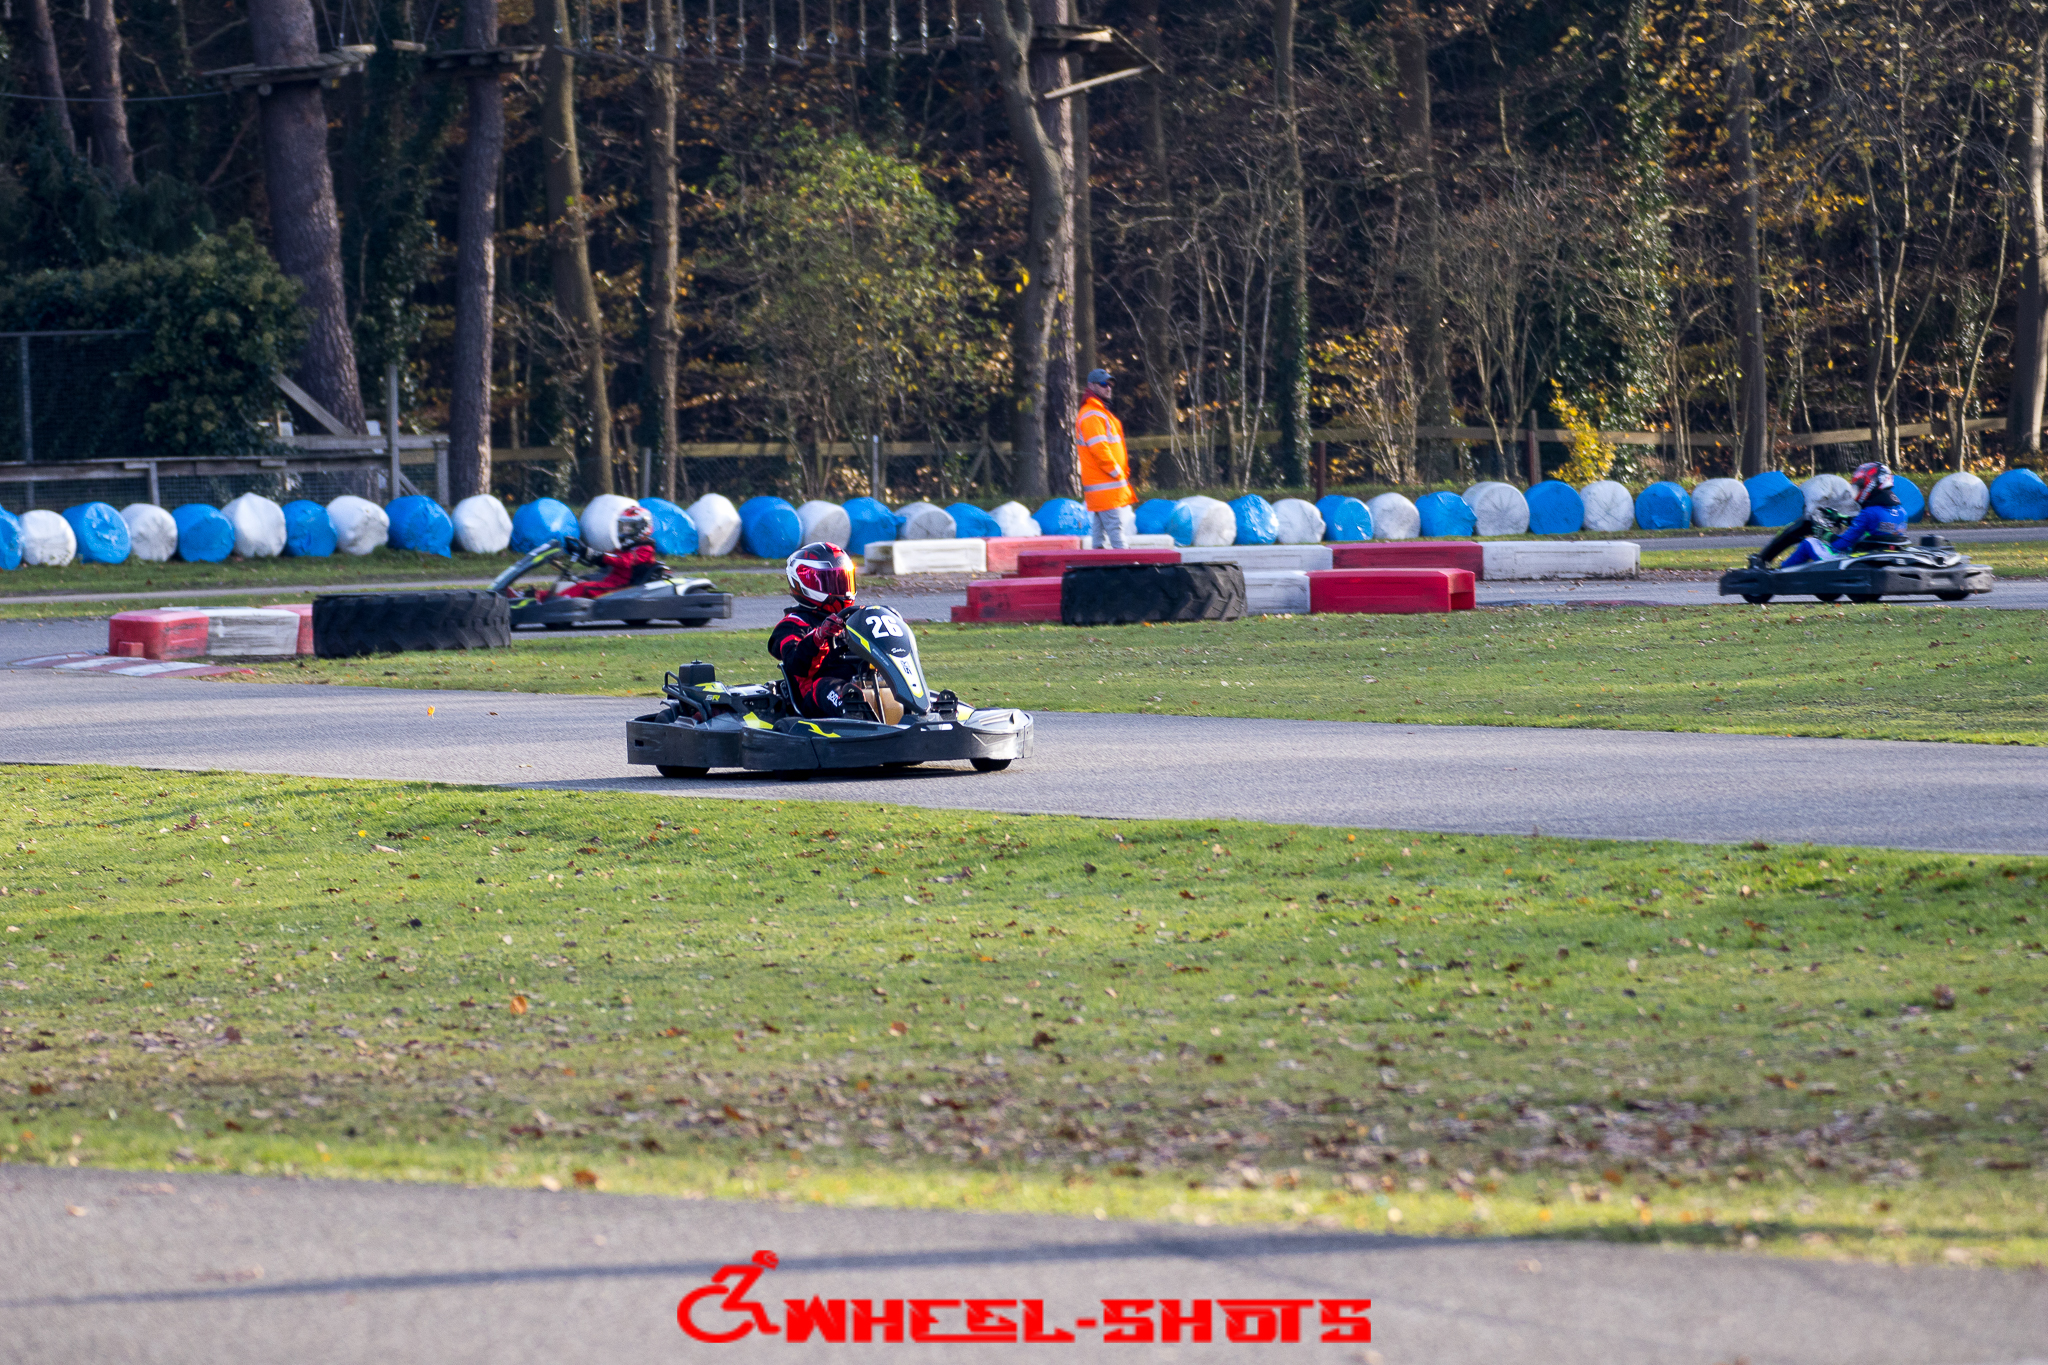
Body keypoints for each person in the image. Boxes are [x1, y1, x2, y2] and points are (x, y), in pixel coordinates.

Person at [1752, 462, 1909, 568]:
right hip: (1876, 553)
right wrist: (1841, 518)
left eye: (1860, 485)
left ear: (1870, 484)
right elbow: (1871, 526)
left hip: (1851, 558)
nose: (1858, 489)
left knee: (1809, 543)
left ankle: (1778, 573)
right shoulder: (1901, 512)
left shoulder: (1869, 513)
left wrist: (1825, 534)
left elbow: (1841, 544)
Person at [769, 541, 864, 717]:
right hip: (816, 694)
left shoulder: (854, 619)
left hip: (861, 684)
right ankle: (856, 714)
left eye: (843, 580)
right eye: (832, 582)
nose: (841, 589)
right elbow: (796, 665)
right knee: (831, 688)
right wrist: (819, 636)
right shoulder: (791, 625)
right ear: (805, 583)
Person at [1075, 367, 1136, 549]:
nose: (1108, 388)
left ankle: (1098, 561)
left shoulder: (1097, 412)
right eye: (1103, 384)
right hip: (1105, 483)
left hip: (1102, 484)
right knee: (1115, 529)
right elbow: (1099, 449)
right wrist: (1116, 472)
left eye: (1110, 385)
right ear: (1091, 386)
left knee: (1099, 533)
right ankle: (1127, 562)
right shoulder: (1092, 414)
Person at [554, 504, 658, 598]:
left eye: (629, 528)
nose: (625, 531)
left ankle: (555, 603)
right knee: (577, 582)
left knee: (583, 587)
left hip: (623, 587)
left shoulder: (645, 549)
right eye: (623, 527)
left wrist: (598, 555)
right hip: (613, 581)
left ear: (642, 527)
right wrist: (585, 553)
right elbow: (610, 557)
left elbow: (623, 560)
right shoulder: (629, 548)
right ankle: (547, 598)